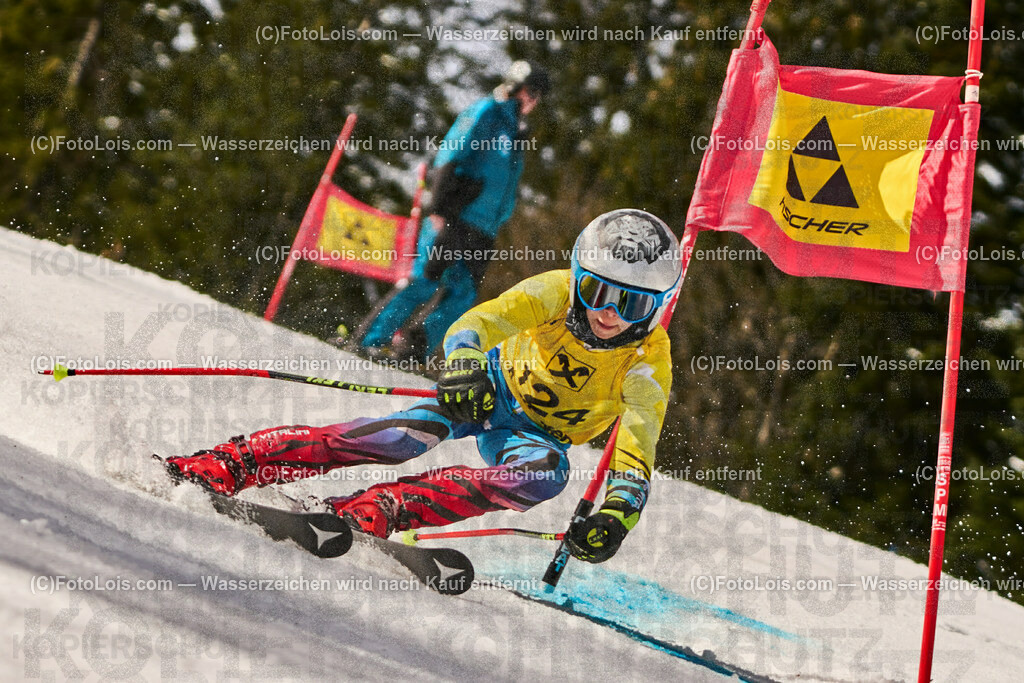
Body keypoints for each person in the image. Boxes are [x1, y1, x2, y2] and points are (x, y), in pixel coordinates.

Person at [165, 209, 681, 564]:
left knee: (548, 476)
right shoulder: (556, 293)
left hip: (536, 437)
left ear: (655, 306)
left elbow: (636, 448)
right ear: (577, 277)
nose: (608, 313)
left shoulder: (647, 361)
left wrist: (616, 515)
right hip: (485, 392)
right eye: (597, 291)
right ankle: (239, 461)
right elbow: (477, 324)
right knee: (398, 439)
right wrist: (464, 364)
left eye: (630, 303)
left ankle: (380, 509)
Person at [357, 60, 551, 360]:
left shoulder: (518, 134)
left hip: (484, 228)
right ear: (514, 87)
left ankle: (412, 349)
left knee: (462, 296)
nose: (534, 101)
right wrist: (438, 207)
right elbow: (452, 152)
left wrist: (501, 219)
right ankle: (370, 340)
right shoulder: (488, 112)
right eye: (531, 92)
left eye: (539, 97)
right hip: (455, 215)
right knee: (424, 281)